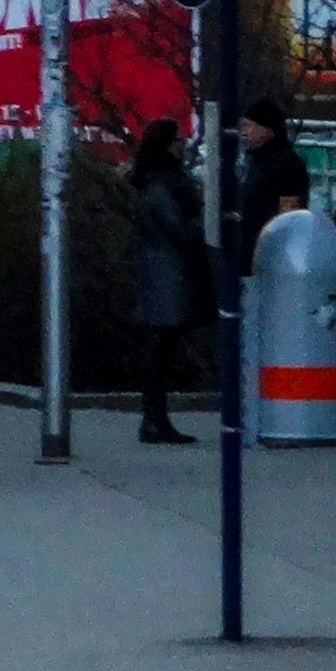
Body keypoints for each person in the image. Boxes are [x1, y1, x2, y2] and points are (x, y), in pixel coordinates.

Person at [130, 118, 214, 444]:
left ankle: (154, 419)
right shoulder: (162, 187)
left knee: (161, 351)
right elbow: (180, 230)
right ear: (167, 145)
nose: (184, 144)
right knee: (160, 351)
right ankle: (153, 419)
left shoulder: (161, 183)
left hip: (169, 277)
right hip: (170, 278)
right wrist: (207, 216)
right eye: (179, 139)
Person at [232, 103, 304, 281]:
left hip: (269, 252)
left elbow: (290, 213)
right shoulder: (254, 161)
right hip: (250, 246)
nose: (244, 132)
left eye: (248, 126)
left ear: (267, 130)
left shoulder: (287, 165)